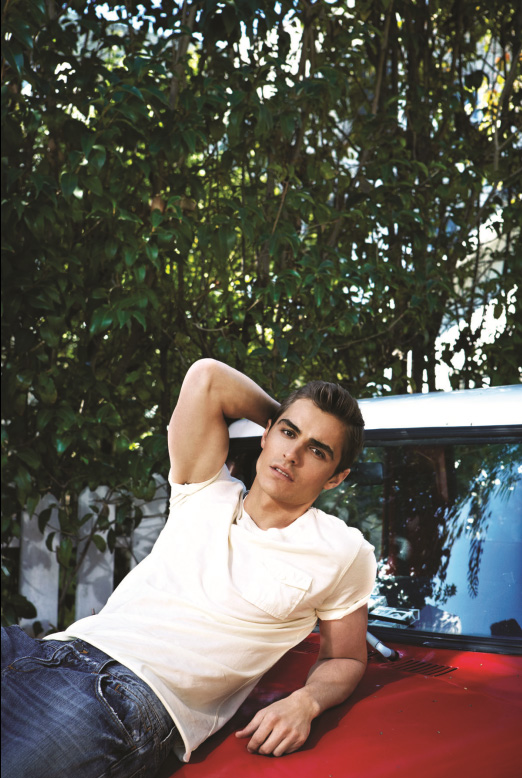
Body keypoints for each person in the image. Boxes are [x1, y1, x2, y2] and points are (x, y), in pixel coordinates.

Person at [1, 359, 376, 778]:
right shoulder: (204, 488)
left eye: (317, 451)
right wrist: (283, 413)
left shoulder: (343, 550)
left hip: (120, 696)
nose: (292, 454)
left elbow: (346, 657)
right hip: (43, 650)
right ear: (266, 433)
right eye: (288, 433)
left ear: (335, 478)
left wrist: (306, 702)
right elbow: (207, 378)